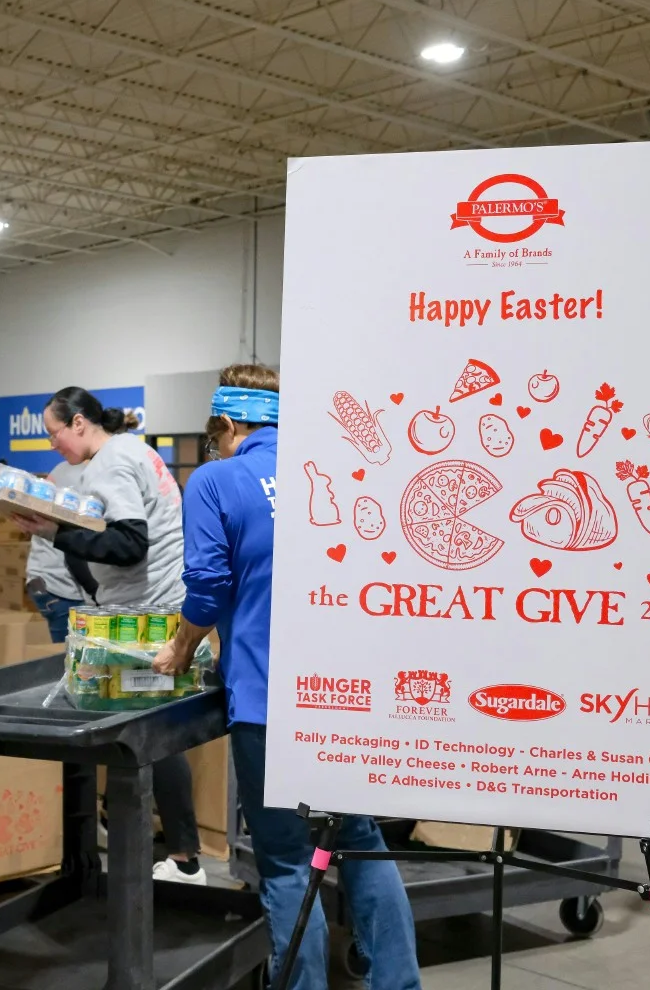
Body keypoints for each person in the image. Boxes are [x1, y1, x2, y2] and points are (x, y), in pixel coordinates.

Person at [153, 364, 420, 990]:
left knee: (285, 863)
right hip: (348, 696)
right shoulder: (332, 470)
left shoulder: (217, 479)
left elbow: (209, 586)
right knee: (358, 838)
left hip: (269, 698)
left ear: (227, 422)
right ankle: (400, 983)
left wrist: (180, 646)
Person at [10, 387, 203, 885]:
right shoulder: (135, 449)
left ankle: (176, 858)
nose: (54, 445)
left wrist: (54, 532)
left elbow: (128, 543)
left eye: (54, 434)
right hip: (157, 606)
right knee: (153, 730)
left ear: (78, 423)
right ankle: (175, 851)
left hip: (142, 615)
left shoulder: (110, 463)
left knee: (142, 732)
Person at [25, 459, 91, 642]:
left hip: (44, 577)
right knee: (71, 661)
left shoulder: (63, 469)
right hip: (63, 585)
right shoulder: (86, 476)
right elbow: (79, 545)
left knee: (64, 657)